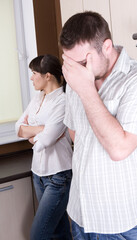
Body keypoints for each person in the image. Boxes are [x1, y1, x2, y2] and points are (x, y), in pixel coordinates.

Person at [59, 11, 137, 239]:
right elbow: (76, 134)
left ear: (106, 46)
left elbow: (118, 149)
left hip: (127, 222)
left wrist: (85, 89)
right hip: (81, 215)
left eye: (83, 62)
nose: (76, 71)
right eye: (70, 63)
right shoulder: (77, 78)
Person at [15, 54, 72, 240]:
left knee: (38, 234)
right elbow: (18, 128)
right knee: (58, 231)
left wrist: (32, 133)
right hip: (38, 173)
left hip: (58, 175)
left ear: (48, 75)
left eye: (34, 73)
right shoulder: (38, 97)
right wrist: (41, 130)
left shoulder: (63, 101)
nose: (31, 78)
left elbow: (45, 142)